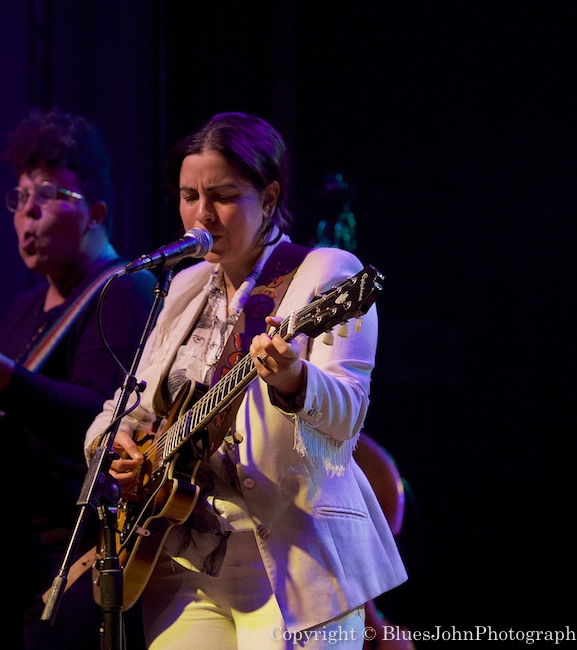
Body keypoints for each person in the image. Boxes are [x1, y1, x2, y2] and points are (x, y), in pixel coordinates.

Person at [83, 112, 407, 649]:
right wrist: (113, 440)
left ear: (271, 197)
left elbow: (349, 412)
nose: (201, 214)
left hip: (295, 557)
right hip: (182, 559)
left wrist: (292, 379)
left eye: (223, 196)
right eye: (189, 196)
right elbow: (128, 405)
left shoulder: (325, 274)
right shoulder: (183, 287)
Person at [0, 107, 156, 649]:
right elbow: (3, 428)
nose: (28, 214)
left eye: (46, 195)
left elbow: (99, 422)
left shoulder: (122, 293)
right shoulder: (22, 308)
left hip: (67, 565)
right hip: (5, 567)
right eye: (19, 198)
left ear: (95, 212)